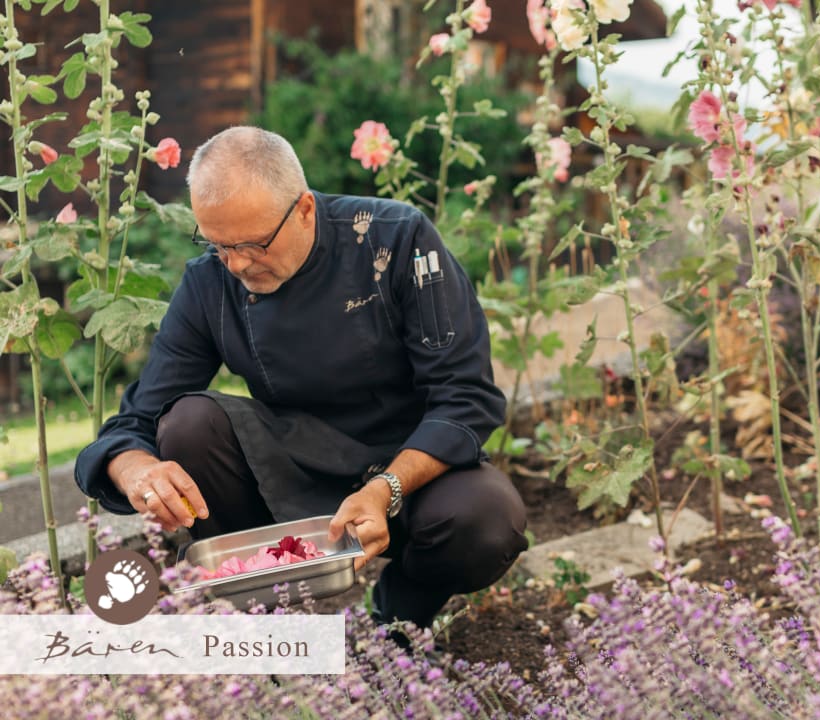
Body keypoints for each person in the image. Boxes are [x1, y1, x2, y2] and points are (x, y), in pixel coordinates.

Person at [75, 126, 528, 629]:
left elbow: (465, 396)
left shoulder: (396, 240)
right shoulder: (211, 281)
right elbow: (131, 425)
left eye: (253, 244)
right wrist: (138, 472)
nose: (237, 263)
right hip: (290, 473)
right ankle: (265, 623)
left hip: (412, 474)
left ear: (305, 209)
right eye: (218, 243)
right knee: (187, 423)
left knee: (487, 522)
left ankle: (399, 617)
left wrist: (385, 489)